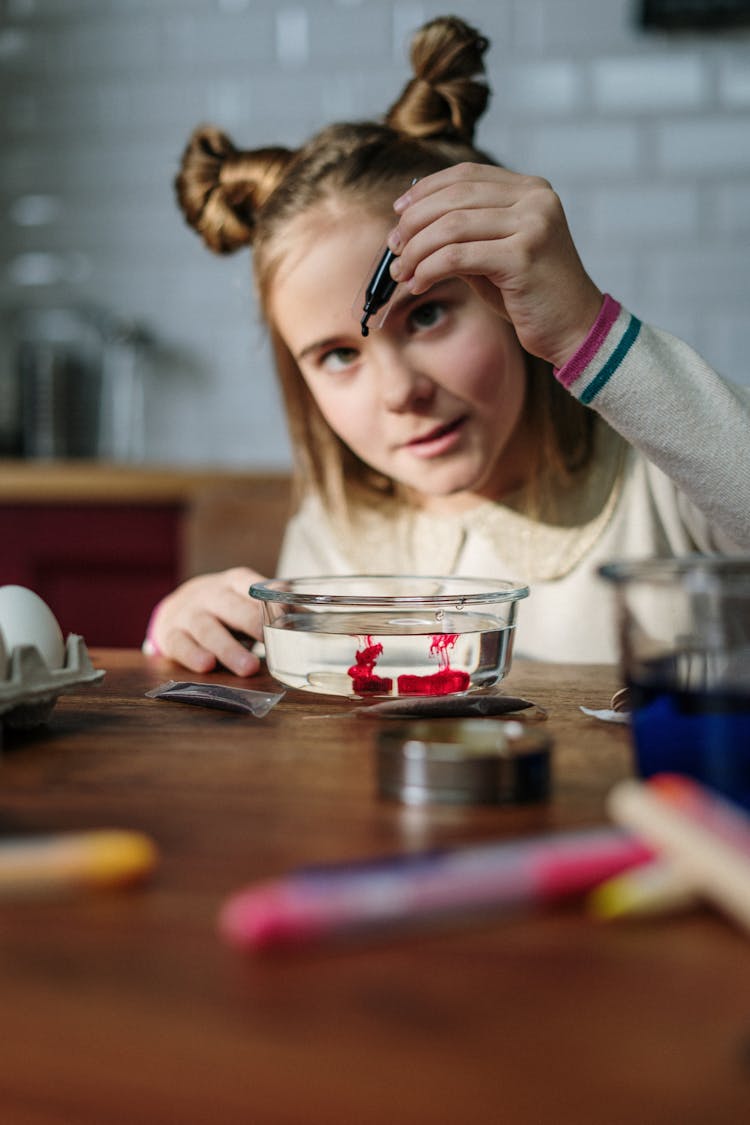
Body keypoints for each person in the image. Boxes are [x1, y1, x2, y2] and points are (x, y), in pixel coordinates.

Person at [145, 14, 750, 677]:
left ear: (511, 296)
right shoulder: (333, 536)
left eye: (428, 314)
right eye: (338, 356)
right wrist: (195, 632)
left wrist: (583, 329)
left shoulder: (660, 478)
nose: (401, 391)